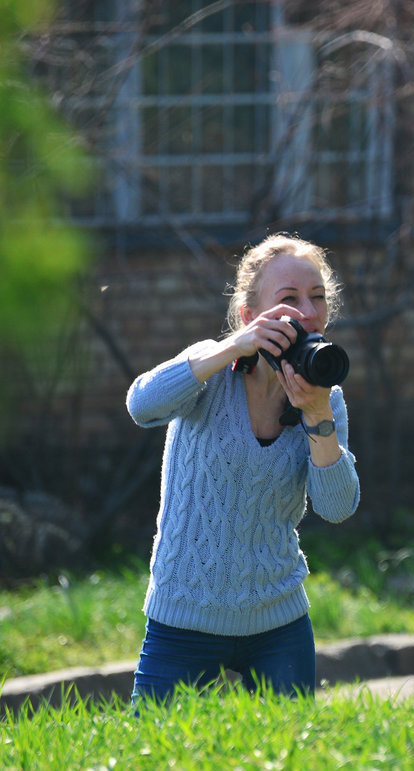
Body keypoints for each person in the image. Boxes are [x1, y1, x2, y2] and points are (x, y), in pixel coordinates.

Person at [126, 234, 360, 703]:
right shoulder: (210, 376)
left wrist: (316, 415)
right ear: (252, 315)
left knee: (290, 762)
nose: (308, 312)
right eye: (289, 299)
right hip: (184, 614)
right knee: (150, 757)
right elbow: (142, 405)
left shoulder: (326, 398)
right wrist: (230, 347)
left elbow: (337, 507)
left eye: (317, 298)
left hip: (279, 621)